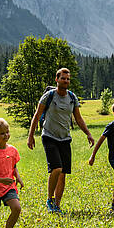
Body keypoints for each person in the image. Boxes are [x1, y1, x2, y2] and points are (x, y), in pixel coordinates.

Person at [27, 67, 95, 213]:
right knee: (56, 168)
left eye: (68, 78)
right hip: (49, 136)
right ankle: (49, 199)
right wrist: (31, 135)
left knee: (63, 173)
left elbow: (78, 118)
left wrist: (88, 134)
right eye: (63, 78)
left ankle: (57, 205)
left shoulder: (72, 97)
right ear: (56, 79)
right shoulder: (49, 96)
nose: (65, 81)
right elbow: (37, 115)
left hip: (65, 138)